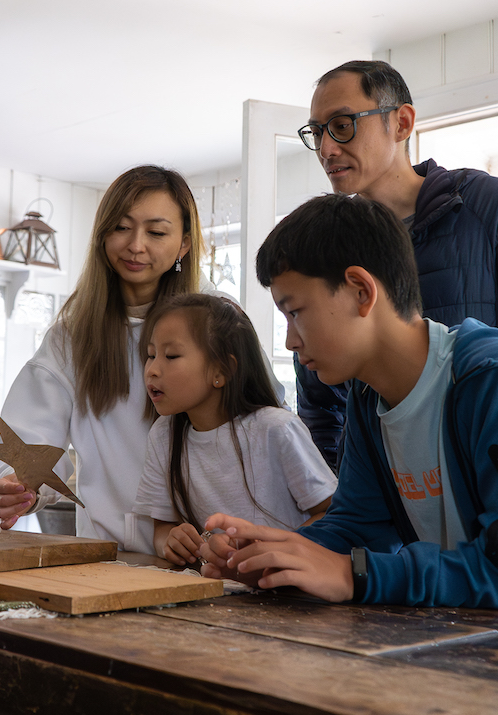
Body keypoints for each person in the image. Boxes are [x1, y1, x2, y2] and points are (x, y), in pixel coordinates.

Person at [201, 193, 498, 608]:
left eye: (296, 312)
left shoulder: (485, 379)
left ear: (361, 290)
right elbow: (358, 525)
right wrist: (272, 559)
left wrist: (354, 575)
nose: (290, 340)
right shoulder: (367, 397)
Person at [0, 165, 285, 553]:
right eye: (121, 227)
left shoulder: (220, 324)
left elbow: (266, 428)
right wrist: (18, 483)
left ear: (184, 244)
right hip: (108, 560)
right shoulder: (71, 337)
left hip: (218, 556)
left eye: (157, 232)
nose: (135, 245)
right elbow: (31, 446)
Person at [295, 60, 498, 471]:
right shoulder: (328, 245)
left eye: (343, 124)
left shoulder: (480, 204)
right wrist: (348, 497)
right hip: (387, 500)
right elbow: (319, 405)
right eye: (317, 132)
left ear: (402, 123)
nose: (327, 148)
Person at [132, 294, 337, 566]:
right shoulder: (164, 435)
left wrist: (275, 551)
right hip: (217, 593)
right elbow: (162, 528)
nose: (152, 370)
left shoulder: (276, 429)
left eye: (171, 355)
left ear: (222, 370)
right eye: (150, 355)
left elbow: (332, 514)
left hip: (292, 592)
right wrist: (171, 541)